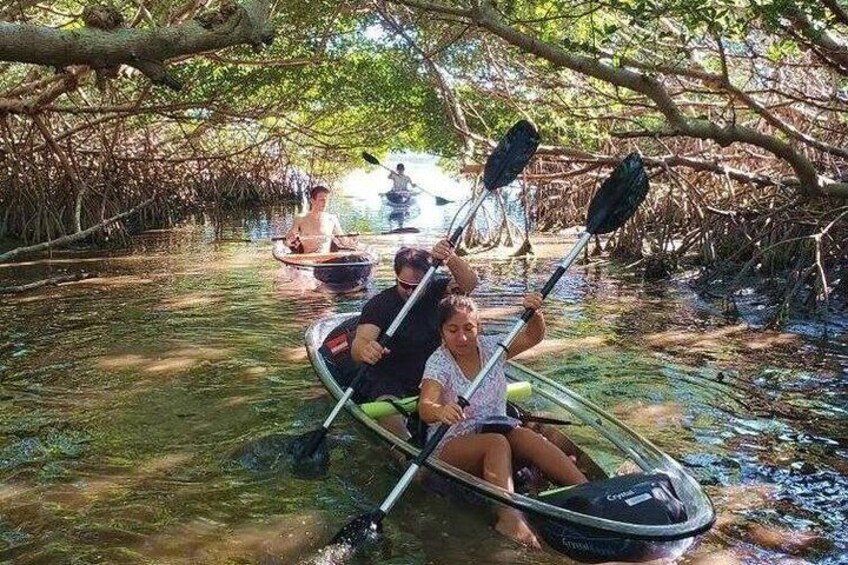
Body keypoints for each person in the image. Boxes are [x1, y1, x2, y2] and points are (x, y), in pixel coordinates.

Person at [418, 294, 588, 548]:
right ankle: (508, 517)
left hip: (497, 428)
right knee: (496, 443)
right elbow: (425, 406)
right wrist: (440, 411)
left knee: (526, 436)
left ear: (479, 327)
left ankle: (586, 489)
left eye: (468, 328)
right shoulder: (438, 362)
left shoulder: (492, 348)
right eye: (453, 330)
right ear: (442, 331)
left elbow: (533, 336)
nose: (462, 337)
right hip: (453, 444)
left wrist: (536, 313)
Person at [351, 242, 478, 439]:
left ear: (428, 280)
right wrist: (367, 350)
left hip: (433, 373)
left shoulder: (439, 290)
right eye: (404, 285)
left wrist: (450, 257)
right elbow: (360, 343)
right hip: (392, 378)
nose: (410, 292)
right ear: (396, 277)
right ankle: (407, 455)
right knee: (388, 410)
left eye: (417, 287)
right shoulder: (379, 305)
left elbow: (469, 283)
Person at [284, 186, 351, 254]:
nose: (325, 203)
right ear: (312, 201)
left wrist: (352, 240)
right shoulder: (300, 218)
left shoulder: (332, 219)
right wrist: (290, 240)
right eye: (322, 200)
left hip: (326, 260)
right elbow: (288, 241)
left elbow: (344, 242)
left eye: (327, 200)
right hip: (307, 260)